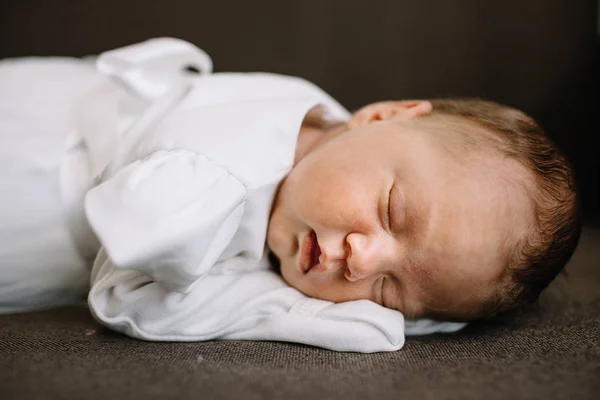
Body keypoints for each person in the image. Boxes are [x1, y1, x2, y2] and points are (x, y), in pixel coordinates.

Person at [0, 38, 580, 352]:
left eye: (390, 292)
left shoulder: (301, 221)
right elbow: (129, 293)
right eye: (391, 212)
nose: (363, 260)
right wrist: (290, 311)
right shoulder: (241, 135)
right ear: (379, 117)